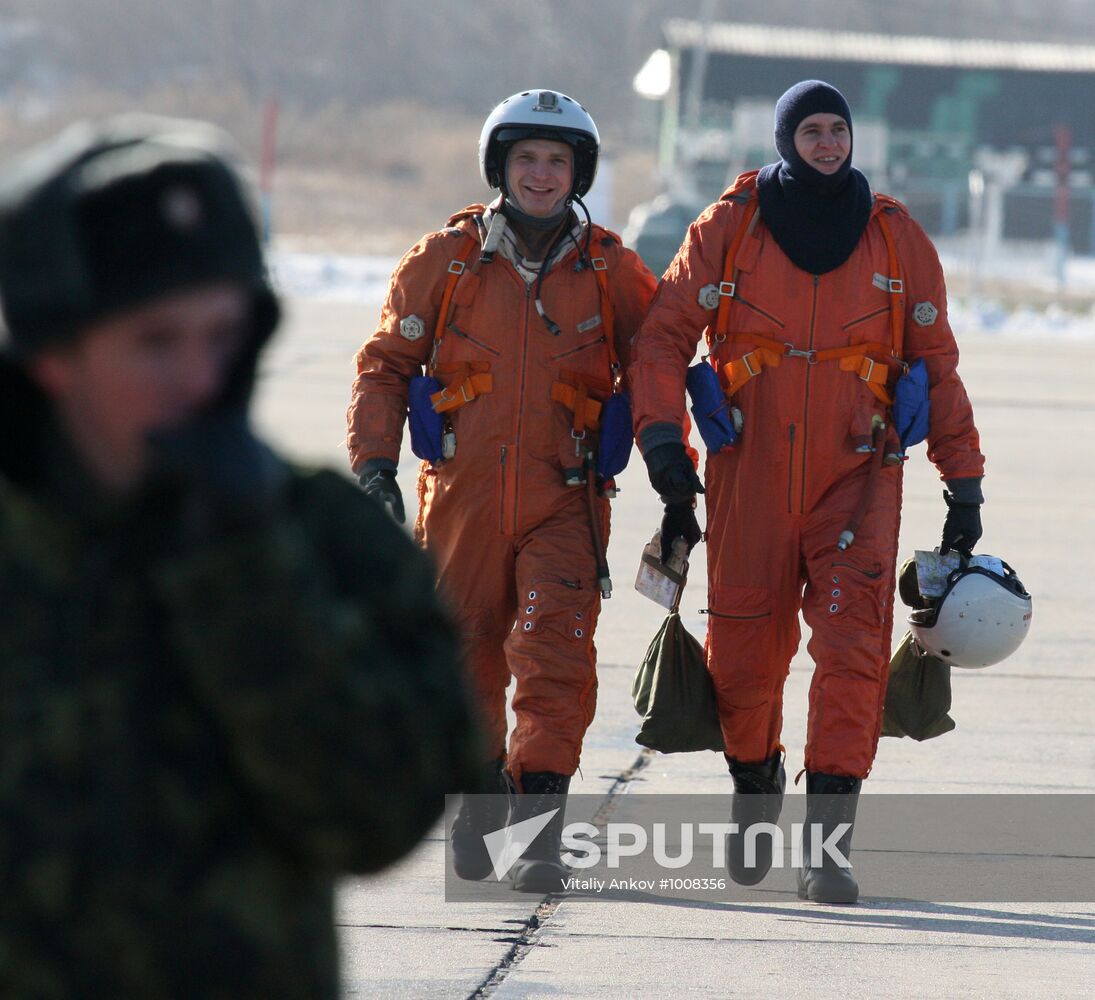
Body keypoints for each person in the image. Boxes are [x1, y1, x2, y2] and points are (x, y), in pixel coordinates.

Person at [0, 115, 478, 997]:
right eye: (154, 342)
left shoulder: (317, 535)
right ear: (52, 357)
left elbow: (376, 817)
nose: (200, 381)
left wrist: (243, 568)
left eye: (221, 337)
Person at [629, 81, 985, 904]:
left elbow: (937, 364)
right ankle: (755, 788)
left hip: (859, 477)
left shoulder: (894, 237)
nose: (827, 144)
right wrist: (661, 443)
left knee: (853, 655)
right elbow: (662, 336)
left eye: (838, 130)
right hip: (746, 473)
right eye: (812, 132)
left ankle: (827, 849)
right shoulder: (731, 225)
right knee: (744, 659)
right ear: (787, 139)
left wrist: (961, 483)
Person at [347, 89, 657, 892]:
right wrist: (373, 466)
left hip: (566, 498)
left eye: (557, 161)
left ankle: (540, 831)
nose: (542, 175)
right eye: (527, 158)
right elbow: (385, 366)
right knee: (463, 653)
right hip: (460, 497)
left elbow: (657, 368)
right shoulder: (443, 261)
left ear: (578, 171)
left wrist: (674, 462)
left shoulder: (613, 271)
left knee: (555, 656)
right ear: (501, 167)